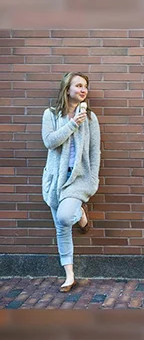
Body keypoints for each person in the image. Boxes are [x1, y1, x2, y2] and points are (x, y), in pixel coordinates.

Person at [42, 72, 101, 293]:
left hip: (78, 179)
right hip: (56, 178)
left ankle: (80, 214)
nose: (83, 89)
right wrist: (71, 125)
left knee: (65, 216)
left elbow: (95, 151)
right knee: (61, 227)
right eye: (78, 85)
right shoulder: (51, 114)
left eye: (85, 86)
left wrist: (92, 179)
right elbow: (49, 142)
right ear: (67, 89)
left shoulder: (91, 118)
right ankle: (69, 276)